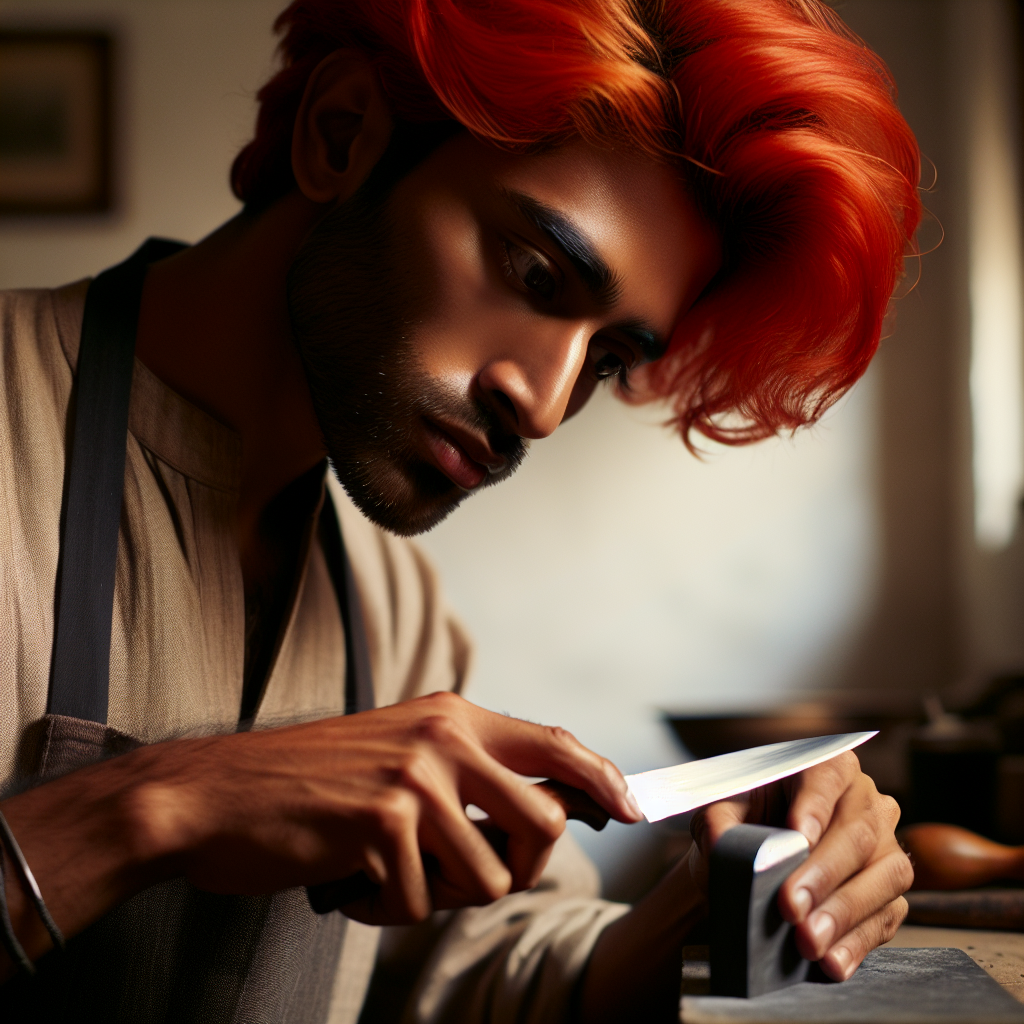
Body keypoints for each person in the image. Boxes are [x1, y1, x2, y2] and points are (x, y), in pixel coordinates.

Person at [0, 0, 919, 1021]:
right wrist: (159, 808)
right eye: (533, 274)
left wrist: (726, 900)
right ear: (340, 135)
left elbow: (480, 970)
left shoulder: (388, 607)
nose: (542, 400)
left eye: (606, 361)